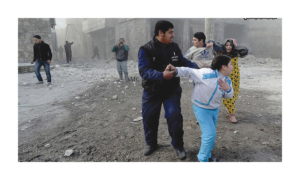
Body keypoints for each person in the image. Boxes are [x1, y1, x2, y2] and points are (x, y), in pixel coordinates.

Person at [138, 20, 199, 160]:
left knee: (174, 116)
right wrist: (161, 75)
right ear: (161, 33)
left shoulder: (174, 47)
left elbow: (184, 62)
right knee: (149, 118)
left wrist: (201, 69)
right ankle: (151, 144)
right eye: (170, 32)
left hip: (171, 90)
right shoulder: (146, 49)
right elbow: (144, 71)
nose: (173, 35)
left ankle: (178, 146)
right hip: (151, 91)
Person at [167, 54, 234, 162]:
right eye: (230, 64)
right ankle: (203, 159)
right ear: (224, 67)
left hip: (214, 109)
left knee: (210, 133)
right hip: (201, 108)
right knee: (210, 134)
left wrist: (227, 89)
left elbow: (229, 95)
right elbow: (189, 71)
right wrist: (176, 70)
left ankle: (207, 154)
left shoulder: (227, 80)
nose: (232, 67)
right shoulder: (206, 73)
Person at [207, 38, 248, 123]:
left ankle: (229, 107)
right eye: (226, 45)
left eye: (230, 45)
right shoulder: (221, 52)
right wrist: (211, 43)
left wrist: (236, 45)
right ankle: (232, 115)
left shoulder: (236, 52)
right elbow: (215, 43)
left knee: (234, 94)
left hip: (235, 76)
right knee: (226, 95)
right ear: (224, 46)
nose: (228, 47)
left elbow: (245, 50)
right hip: (224, 76)